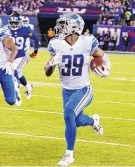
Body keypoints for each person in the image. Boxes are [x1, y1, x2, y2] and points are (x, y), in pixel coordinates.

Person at [44, 13, 110, 166]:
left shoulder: (87, 42)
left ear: (73, 27)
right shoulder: (56, 44)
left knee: (68, 114)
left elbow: (101, 55)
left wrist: (108, 69)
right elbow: (47, 72)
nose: (60, 28)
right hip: (66, 90)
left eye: (63, 24)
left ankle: (69, 155)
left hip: (83, 89)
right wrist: (51, 64)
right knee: (77, 120)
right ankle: (94, 120)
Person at [8, 12, 39, 99]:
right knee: (19, 75)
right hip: (11, 56)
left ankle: (16, 89)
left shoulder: (25, 29)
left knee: (14, 70)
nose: (14, 25)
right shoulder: (6, 30)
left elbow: (36, 39)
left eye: (15, 23)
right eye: (12, 23)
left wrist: (35, 51)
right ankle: (28, 87)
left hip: (22, 55)